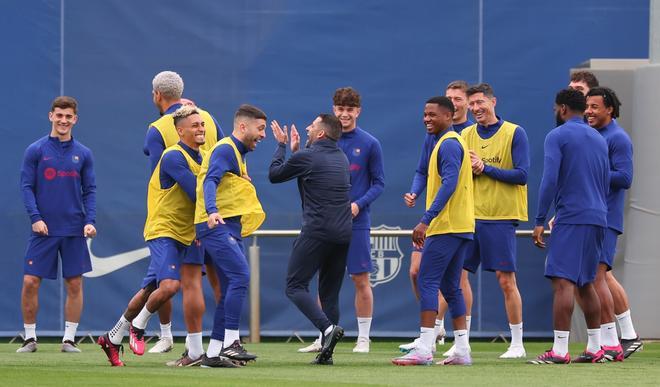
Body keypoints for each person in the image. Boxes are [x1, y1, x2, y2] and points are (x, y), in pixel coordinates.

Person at [97, 105, 206, 366]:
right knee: (169, 286)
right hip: (164, 230)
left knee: (148, 290)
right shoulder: (173, 156)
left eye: (202, 124)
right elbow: (196, 193)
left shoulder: (205, 157)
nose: (201, 128)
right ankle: (139, 325)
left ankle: (112, 338)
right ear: (180, 131)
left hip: (187, 232)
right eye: (195, 125)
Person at [144, 70, 224, 353]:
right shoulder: (210, 119)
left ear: (157, 95)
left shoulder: (159, 128)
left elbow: (159, 178)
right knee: (218, 278)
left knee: (171, 280)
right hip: (216, 210)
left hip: (179, 218)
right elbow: (226, 153)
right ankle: (227, 340)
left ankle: (167, 336)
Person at [392, 96, 474, 366]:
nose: (427, 118)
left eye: (433, 115)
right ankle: (462, 349)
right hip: (462, 226)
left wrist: (426, 219)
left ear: (450, 116)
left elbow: (448, 184)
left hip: (446, 226)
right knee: (451, 287)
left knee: (427, 280)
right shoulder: (449, 142)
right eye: (425, 114)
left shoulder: (449, 144)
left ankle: (425, 347)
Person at [530, 88, 609, 364]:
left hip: (573, 216)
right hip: (599, 217)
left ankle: (560, 351)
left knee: (563, 281)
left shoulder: (557, 135)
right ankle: (596, 347)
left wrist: (540, 219)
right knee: (586, 282)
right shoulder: (599, 138)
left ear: (562, 109)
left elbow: (549, 179)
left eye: (555, 109)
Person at [269, 114, 351, 365]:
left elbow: (275, 174)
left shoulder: (308, 157)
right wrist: (299, 151)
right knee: (329, 294)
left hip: (317, 231)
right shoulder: (341, 157)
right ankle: (327, 353)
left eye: (312, 126)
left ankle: (327, 329)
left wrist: (282, 146)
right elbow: (312, 169)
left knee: (295, 286)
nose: (307, 127)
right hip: (344, 233)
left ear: (321, 134)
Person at [18, 96, 97, 354]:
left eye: (68, 116)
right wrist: (35, 218)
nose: (63, 120)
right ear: (51, 116)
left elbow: (90, 190)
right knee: (30, 281)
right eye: (59, 115)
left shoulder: (84, 153)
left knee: (74, 284)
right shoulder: (36, 150)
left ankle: (69, 340)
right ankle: (30, 339)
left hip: (74, 229)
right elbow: (27, 187)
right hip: (44, 230)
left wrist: (90, 221)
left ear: (75, 119)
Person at [194, 104, 267, 368]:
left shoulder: (236, 154)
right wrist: (212, 211)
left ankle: (212, 355)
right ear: (243, 127)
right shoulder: (226, 149)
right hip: (216, 225)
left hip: (227, 226)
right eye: (260, 129)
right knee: (241, 276)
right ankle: (231, 343)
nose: (264, 135)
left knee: (228, 290)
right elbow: (209, 180)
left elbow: (222, 181)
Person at [459, 83, 528, 358]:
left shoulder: (514, 132)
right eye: (471, 104)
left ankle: (517, 343)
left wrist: (484, 167)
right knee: (456, 278)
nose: (476, 108)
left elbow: (522, 174)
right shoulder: (464, 134)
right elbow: (460, 174)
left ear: (493, 102)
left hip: (501, 216)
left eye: (480, 103)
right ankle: (459, 340)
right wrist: (471, 169)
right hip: (469, 216)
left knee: (505, 280)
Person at [585, 87, 641, 359]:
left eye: (595, 107)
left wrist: (593, 169)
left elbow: (625, 178)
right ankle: (605, 343)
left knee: (597, 277)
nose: (589, 112)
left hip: (606, 218)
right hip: (589, 216)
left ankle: (612, 343)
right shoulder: (592, 135)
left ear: (610, 109)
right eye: (587, 106)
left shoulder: (617, 138)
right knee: (593, 278)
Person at [334, 87, 384, 353]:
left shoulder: (369, 143)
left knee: (360, 279)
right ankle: (323, 336)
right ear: (334, 110)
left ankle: (363, 337)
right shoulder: (322, 139)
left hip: (357, 221)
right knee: (325, 280)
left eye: (349, 109)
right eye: (340, 109)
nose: (344, 114)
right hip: (326, 223)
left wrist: (357, 205)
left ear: (358, 111)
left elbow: (379, 183)